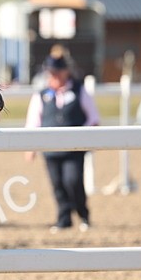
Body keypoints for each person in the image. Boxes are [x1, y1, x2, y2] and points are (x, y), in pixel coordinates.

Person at [25, 53, 100, 232]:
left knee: (73, 180)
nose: (54, 76)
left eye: (58, 72)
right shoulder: (42, 95)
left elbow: (93, 118)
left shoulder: (79, 91)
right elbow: (34, 121)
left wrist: (83, 135)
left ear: (66, 72)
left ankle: (83, 214)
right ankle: (64, 218)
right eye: (51, 72)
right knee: (57, 184)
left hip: (74, 149)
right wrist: (30, 146)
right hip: (50, 149)